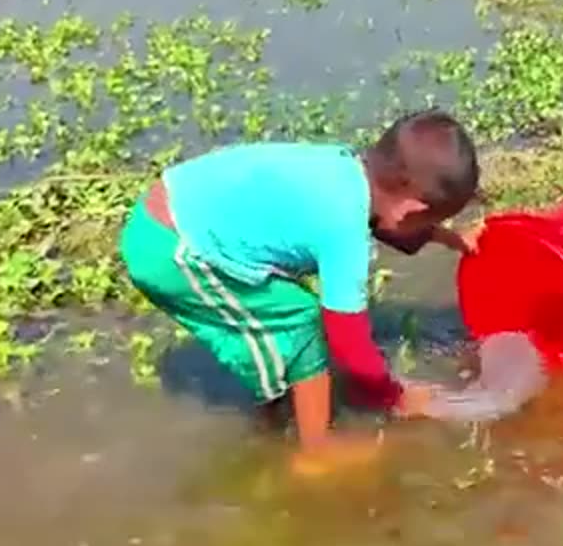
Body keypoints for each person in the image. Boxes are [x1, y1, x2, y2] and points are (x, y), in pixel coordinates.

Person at [117, 109, 482, 475]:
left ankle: (277, 409)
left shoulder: (350, 173)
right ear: (412, 208)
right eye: (433, 221)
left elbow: (386, 223)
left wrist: (449, 239)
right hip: (174, 250)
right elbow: (348, 337)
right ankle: (316, 452)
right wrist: (394, 397)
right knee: (302, 321)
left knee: (284, 321)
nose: (433, 227)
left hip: (181, 213)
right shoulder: (343, 228)